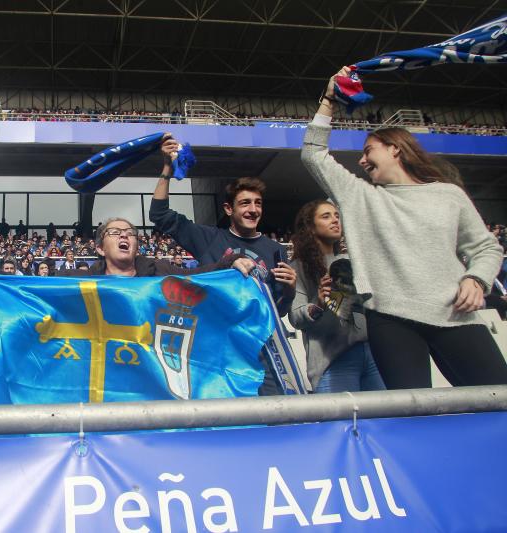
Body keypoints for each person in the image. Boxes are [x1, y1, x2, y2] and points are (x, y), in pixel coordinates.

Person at [300, 67, 507, 389]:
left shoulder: (448, 195)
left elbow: (486, 247)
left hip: (454, 313)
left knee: (498, 397)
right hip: (389, 320)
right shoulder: (361, 196)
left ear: (395, 148)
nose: (363, 162)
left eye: (369, 151)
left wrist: (476, 278)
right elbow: (313, 154)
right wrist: (328, 100)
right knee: (410, 412)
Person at [150, 138, 297, 395]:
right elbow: (159, 215)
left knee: (274, 413)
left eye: (258, 203)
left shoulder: (275, 250)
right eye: (245, 203)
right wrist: (166, 168)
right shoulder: (209, 238)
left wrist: (291, 291)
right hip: (216, 348)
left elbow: (278, 310)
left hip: (259, 350)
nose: (253, 210)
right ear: (228, 208)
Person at [288, 200, 385, 392]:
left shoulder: (354, 262)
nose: (335, 220)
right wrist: (319, 304)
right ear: (311, 227)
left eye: (337, 216)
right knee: (340, 422)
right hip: (332, 362)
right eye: (326, 216)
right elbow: (296, 317)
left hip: (373, 355)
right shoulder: (298, 267)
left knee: (385, 420)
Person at [56, 217, 245, 278]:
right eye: (115, 232)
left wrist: (230, 262)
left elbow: (195, 277)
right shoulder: (83, 280)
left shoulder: (158, 270)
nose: (124, 235)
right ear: (99, 249)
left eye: (130, 233)